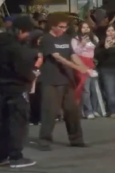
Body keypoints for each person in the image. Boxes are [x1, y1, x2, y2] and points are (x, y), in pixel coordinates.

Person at [0, 16, 39, 168]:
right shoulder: (16, 48)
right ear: (19, 30)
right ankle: (15, 157)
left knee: (4, 123)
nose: (28, 36)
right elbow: (22, 69)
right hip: (16, 88)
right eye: (27, 32)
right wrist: (33, 75)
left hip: (0, 87)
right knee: (18, 122)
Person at [38, 13, 88, 150]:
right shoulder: (46, 39)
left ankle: (76, 139)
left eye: (65, 27)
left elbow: (72, 55)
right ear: (52, 26)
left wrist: (83, 66)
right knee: (50, 112)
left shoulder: (66, 38)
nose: (63, 29)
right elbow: (58, 57)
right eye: (60, 27)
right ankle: (45, 140)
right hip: (51, 80)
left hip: (67, 80)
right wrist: (77, 67)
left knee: (72, 111)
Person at [71, 21, 103, 118]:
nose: (85, 29)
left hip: (92, 64)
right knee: (86, 89)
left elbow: (98, 51)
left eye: (87, 27)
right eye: (83, 27)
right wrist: (82, 44)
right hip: (81, 65)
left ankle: (94, 109)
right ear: (80, 29)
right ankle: (87, 110)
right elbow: (74, 53)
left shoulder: (94, 38)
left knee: (94, 88)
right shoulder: (75, 39)